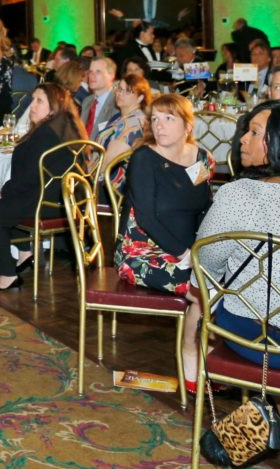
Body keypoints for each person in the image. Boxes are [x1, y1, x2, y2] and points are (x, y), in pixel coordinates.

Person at [190, 101, 280, 376]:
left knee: (200, 301)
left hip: (257, 334)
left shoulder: (239, 195)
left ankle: (194, 372)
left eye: (254, 132)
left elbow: (206, 264)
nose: (242, 138)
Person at [0, 83, 87, 290]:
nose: (32, 106)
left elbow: (28, 178)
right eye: (33, 100)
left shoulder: (45, 134)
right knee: (8, 202)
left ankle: (6, 275)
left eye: (39, 101)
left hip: (46, 203)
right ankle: (24, 254)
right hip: (67, 200)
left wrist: (8, 188)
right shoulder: (67, 127)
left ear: (54, 107)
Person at [115, 94, 213, 299]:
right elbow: (146, 219)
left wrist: (201, 249)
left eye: (169, 118)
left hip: (188, 249)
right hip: (143, 253)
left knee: (226, 280)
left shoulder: (199, 158)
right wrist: (186, 256)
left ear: (187, 126)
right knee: (205, 290)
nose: (159, 125)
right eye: (155, 119)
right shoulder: (144, 159)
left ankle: (192, 332)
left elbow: (204, 204)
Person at [96, 74, 151, 175]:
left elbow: (108, 162)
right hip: (101, 174)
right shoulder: (117, 117)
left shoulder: (133, 122)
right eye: (119, 89)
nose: (120, 94)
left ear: (140, 98)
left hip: (112, 183)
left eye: (128, 91)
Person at [80, 57, 118, 139]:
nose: (92, 76)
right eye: (90, 71)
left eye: (98, 72)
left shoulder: (117, 102)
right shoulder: (87, 101)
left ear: (111, 75)